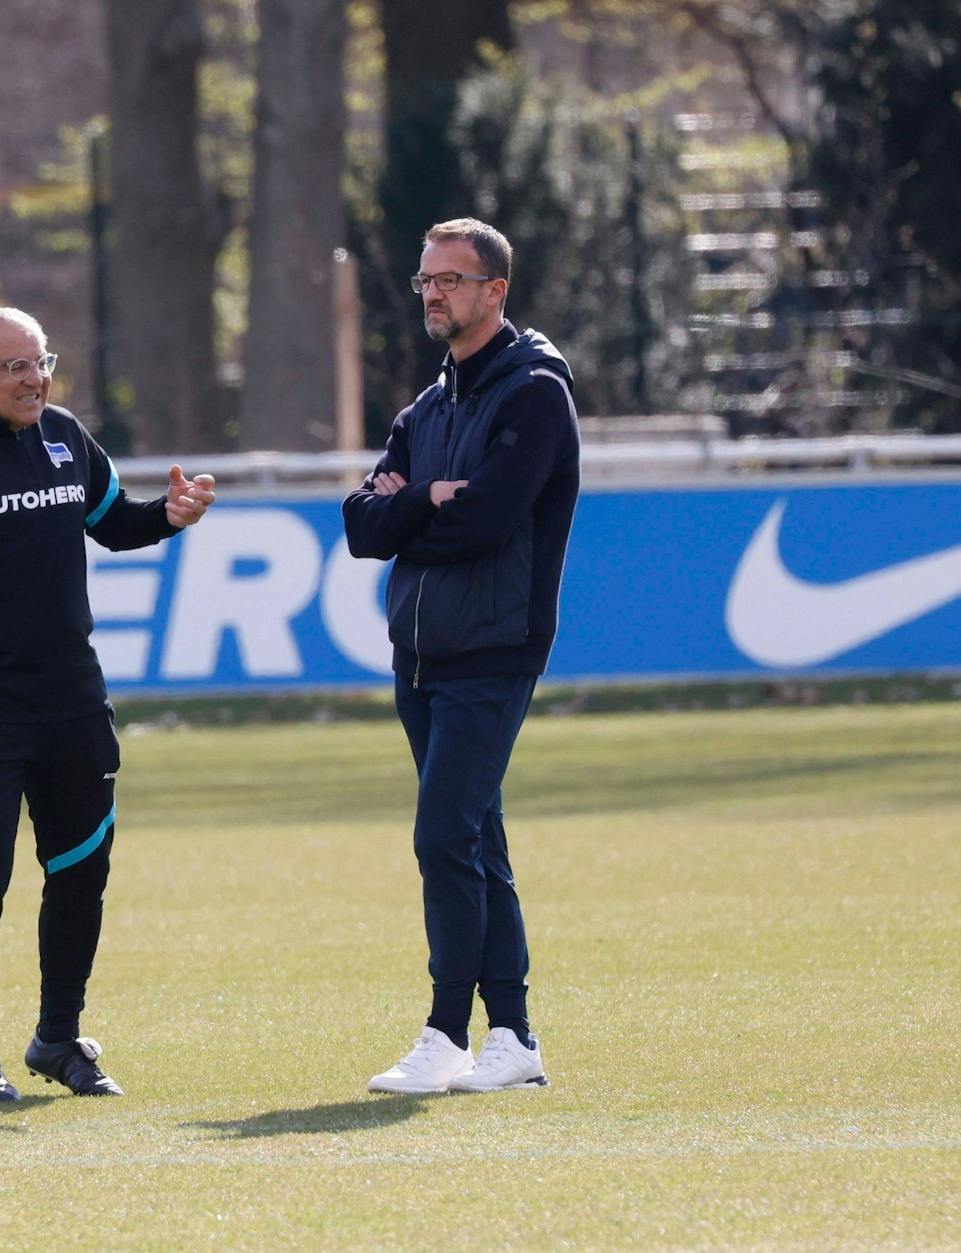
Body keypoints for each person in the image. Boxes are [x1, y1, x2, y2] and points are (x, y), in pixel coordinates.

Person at [0, 307, 216, 1102]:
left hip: (72, 701)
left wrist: (169, 515)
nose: (35, 378)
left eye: (42, 360)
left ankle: (59, 1036)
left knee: (81, 869)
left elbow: (114, 524)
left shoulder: (63, 436)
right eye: (16, 366)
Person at [342, 218, 580, 1094]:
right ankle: (512, 1036)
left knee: (442, 833)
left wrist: (421, 510)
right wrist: (423, 503)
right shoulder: (428, 406)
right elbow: (362, 526)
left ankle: (446, 1031)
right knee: (476, 839)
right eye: (425, 279)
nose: (434, 293)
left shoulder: (533, 395)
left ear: (495, 292)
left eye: (450, 279)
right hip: (421, 652)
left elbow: (487, 522)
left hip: (494, 646)